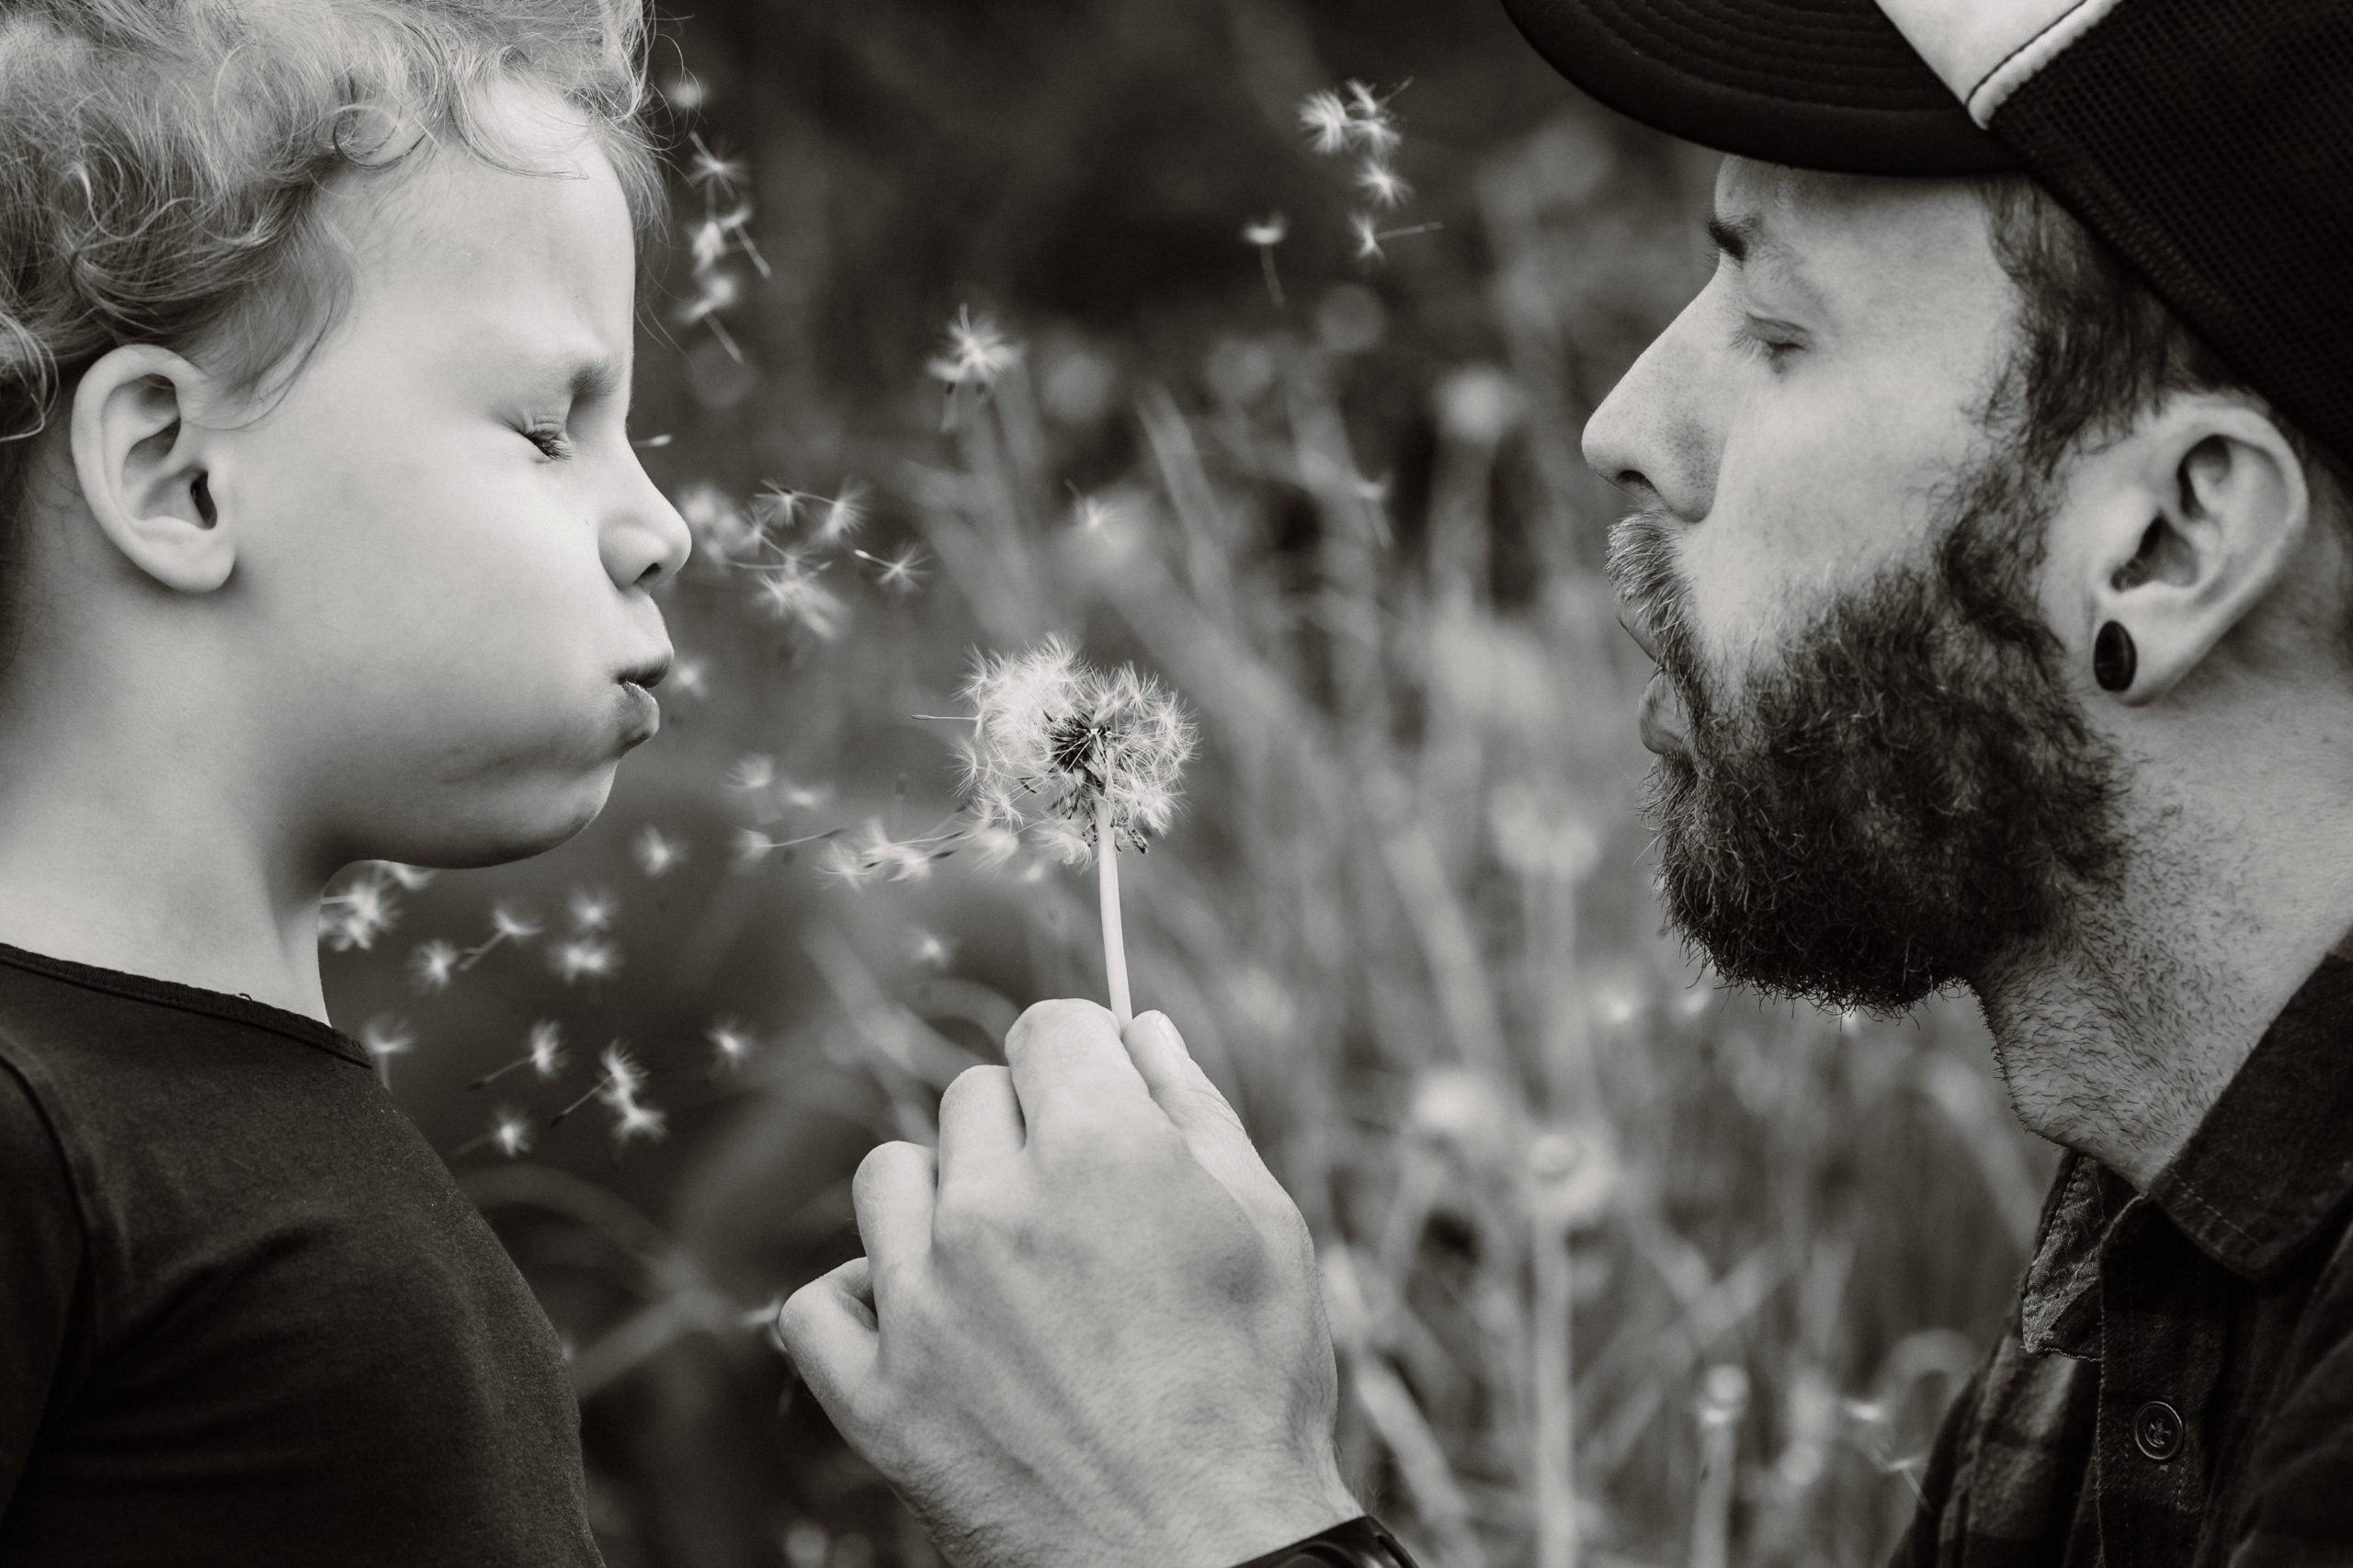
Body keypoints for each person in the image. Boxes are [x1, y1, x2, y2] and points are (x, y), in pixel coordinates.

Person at [779, 2, 2353, 1566]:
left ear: (2170, 539)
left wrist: (1192, 1517)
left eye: (1782, 332)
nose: (1627, 426)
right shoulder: (2153, 1262)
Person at [0, 1, 690, 1560]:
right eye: (547, 425)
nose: (662, 526)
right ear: (177, 472)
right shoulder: (31, 1139)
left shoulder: (268, 1140)